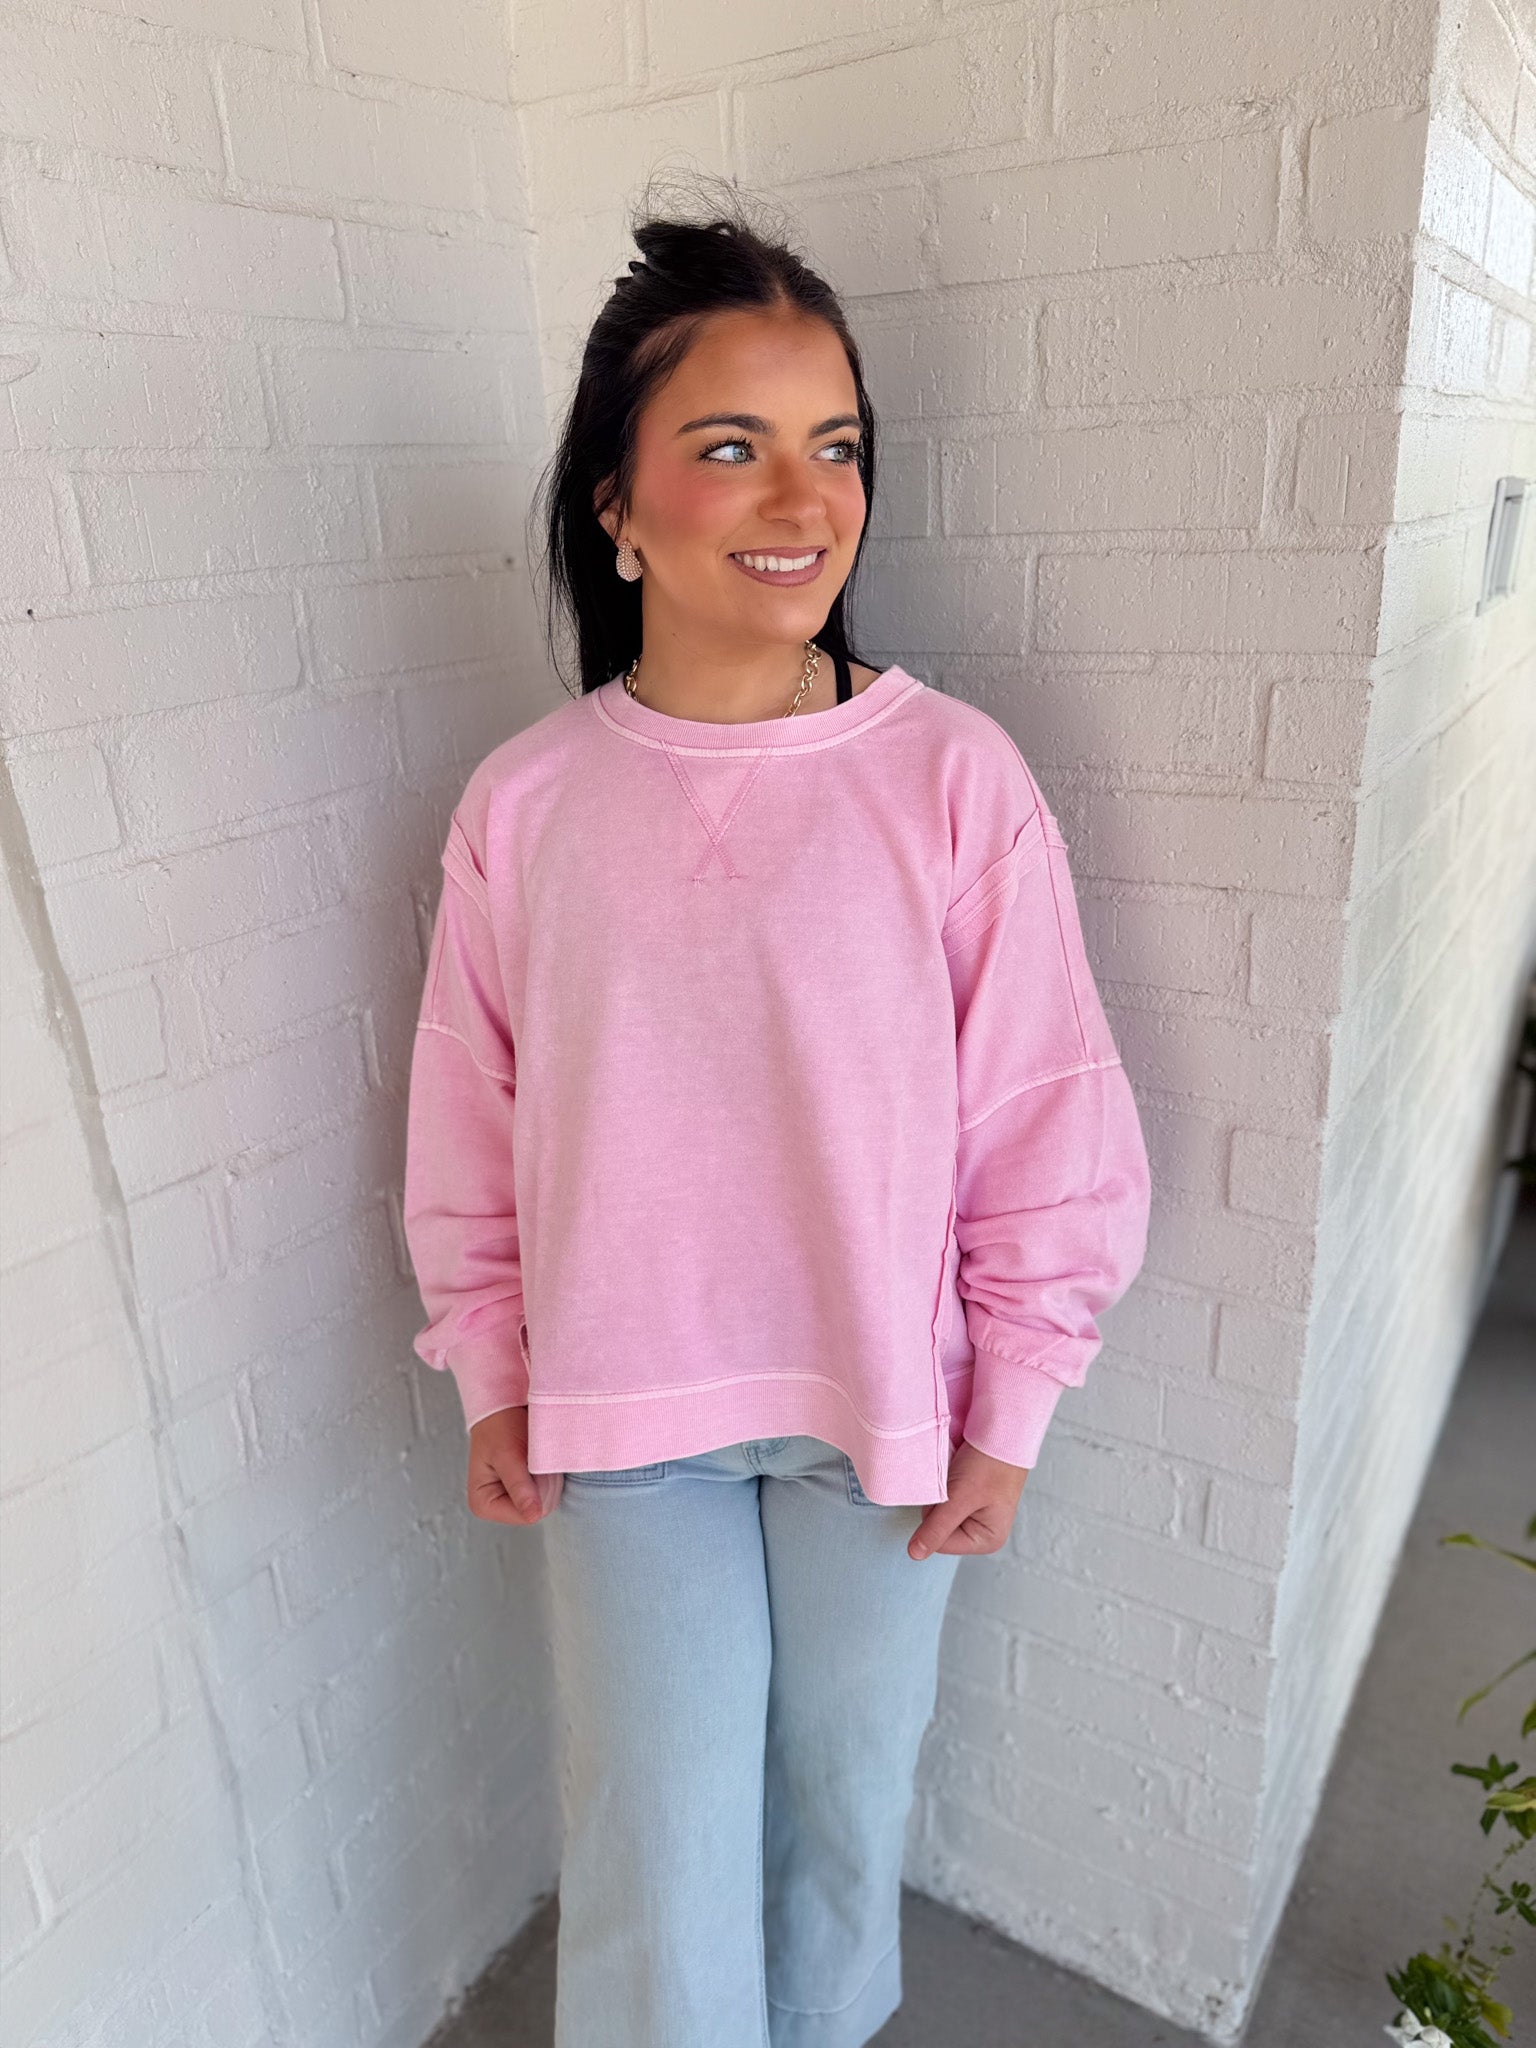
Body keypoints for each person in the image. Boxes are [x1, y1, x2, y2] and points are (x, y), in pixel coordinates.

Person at [401, 188, 1152, 2048]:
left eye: (838, 447)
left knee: (845, 1809)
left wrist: (1017, 1398)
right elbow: (471, 1114)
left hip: (883, 1412)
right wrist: (491, 1364)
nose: (804, 498)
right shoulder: (527, 805)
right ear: (616, 501)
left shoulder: (953, 779)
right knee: (655, 1845)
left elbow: (1041, 1112)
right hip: (622, 1413)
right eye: (731, 446)